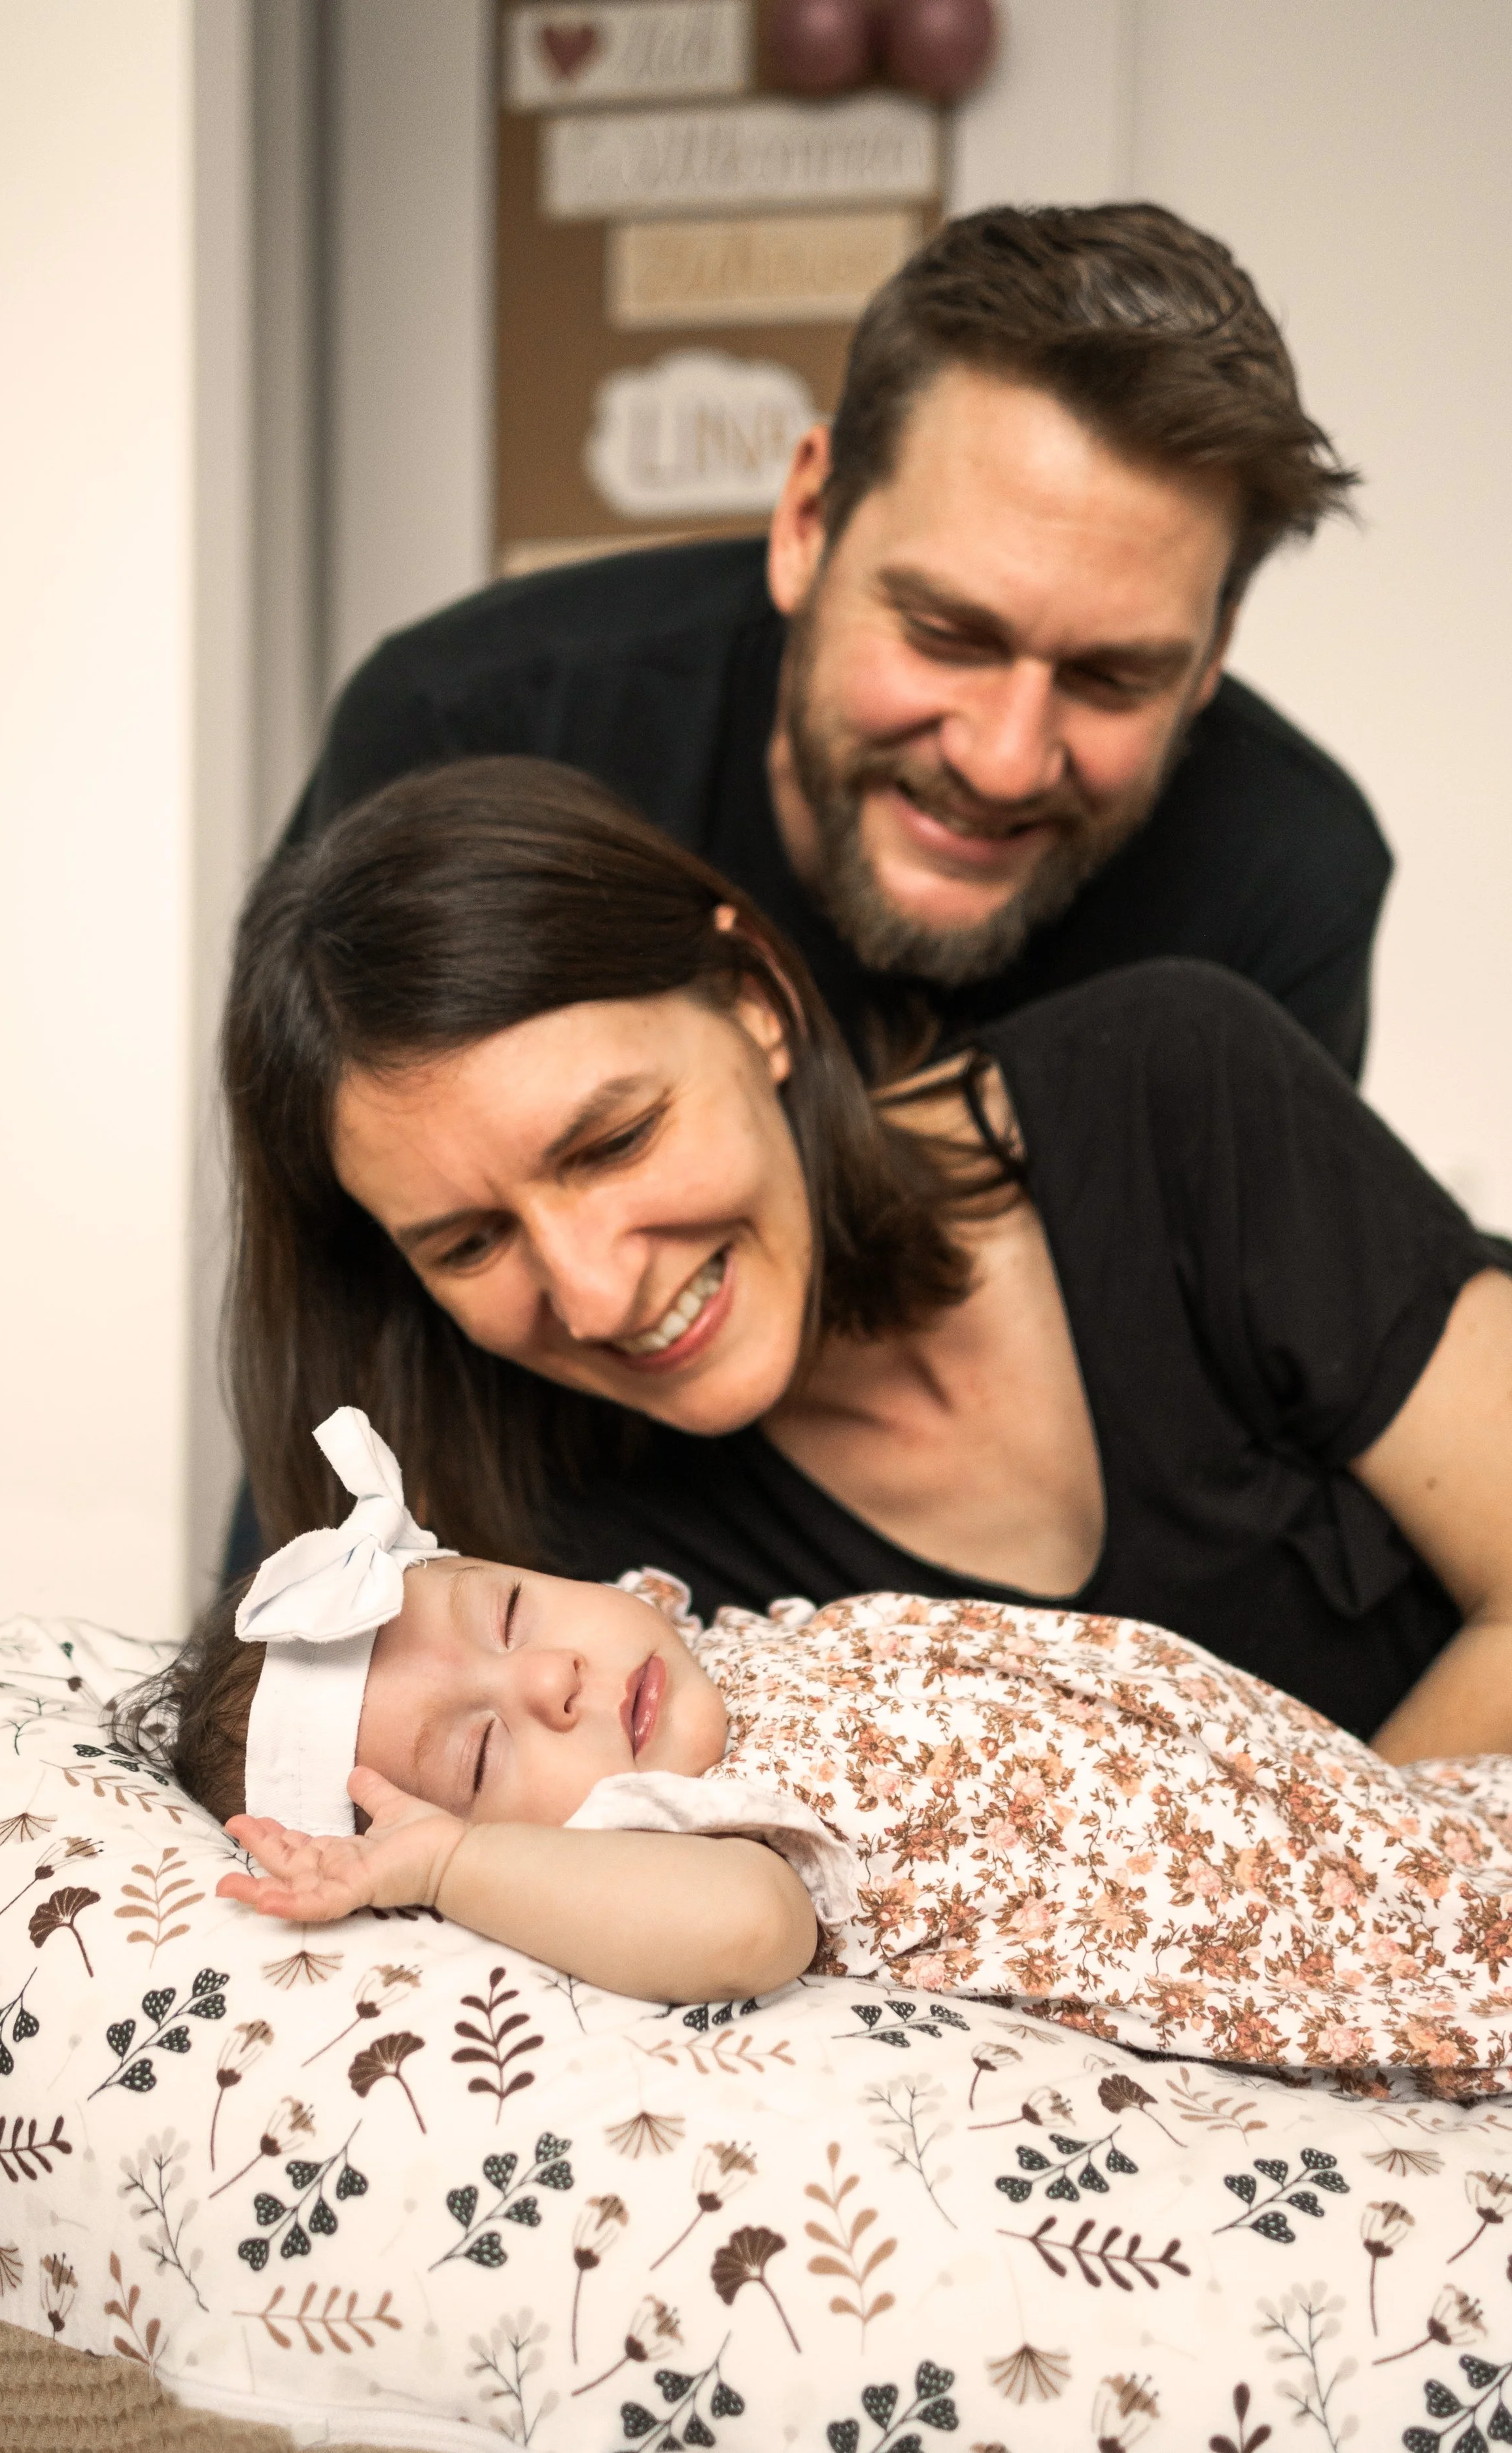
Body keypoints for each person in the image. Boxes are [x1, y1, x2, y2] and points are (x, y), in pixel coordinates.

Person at [220, 757, 1512, 1761]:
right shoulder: (552, 1591)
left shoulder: (1171, 1086)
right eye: (469, 1241)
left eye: (613, 1141)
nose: (596, 1290)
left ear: (755, 1006)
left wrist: (1317, 1979)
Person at [282, 203, 1384, 1083]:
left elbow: (1218, 1345)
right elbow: (358, 1297)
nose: (1003, 760)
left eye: (1112, 677)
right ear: (809, 522)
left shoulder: (1287, 877)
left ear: (1212, 652)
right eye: (947, 634)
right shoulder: (464, 732)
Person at [176, 1408, 1512, 2091]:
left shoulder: (684, 1631)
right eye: (478, 1755)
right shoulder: (675, 1827)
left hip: (1379, 1815)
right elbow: (744, 1932)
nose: (550, 1676)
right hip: (1364, 1953)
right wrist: (455, 1865)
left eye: (513, 1609)